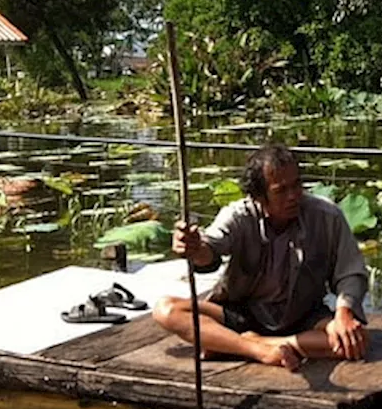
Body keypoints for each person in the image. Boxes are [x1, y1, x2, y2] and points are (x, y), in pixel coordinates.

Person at [153, 144, 370, 371]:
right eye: (281, 190)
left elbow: (351, 273)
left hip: (304, 315)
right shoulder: (238, 216)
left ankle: (240, 343)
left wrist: (344, 311)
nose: (293, 196)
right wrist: (195, 248)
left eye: (297, 185)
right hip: (242, 313)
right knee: (165, 309)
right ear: (258, 196)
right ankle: (259, 350)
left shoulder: (327, 216)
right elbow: (210, 252)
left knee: (355, 340)